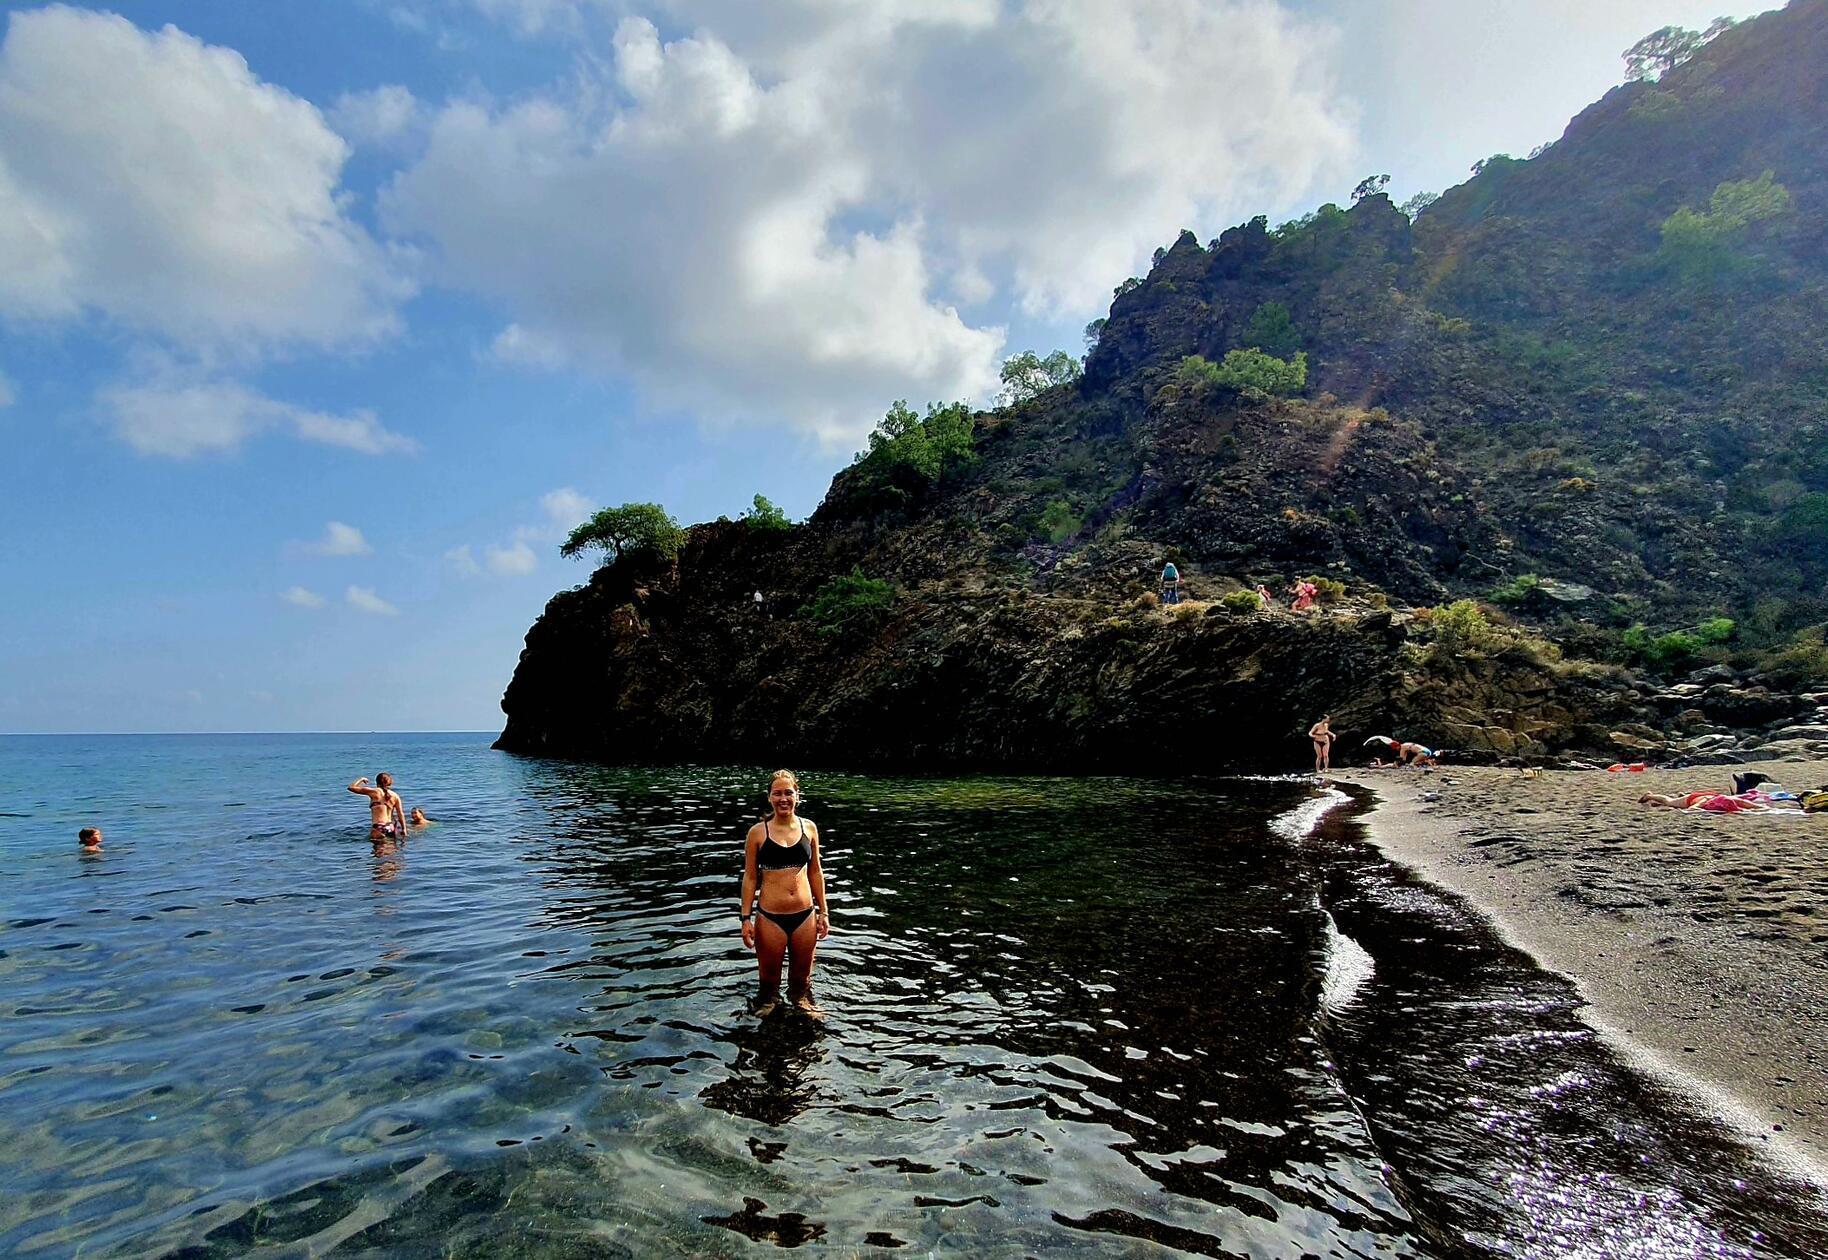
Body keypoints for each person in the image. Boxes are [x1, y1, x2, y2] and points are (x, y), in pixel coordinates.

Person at [739, 769, 830, 1017]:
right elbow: (750, 877)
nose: (783, 799)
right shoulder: (757, 833)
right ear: (769, 797)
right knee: (768, 983)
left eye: (788, 793)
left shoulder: (809, 828)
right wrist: (745, 919)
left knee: (801, 981)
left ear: (797, 795)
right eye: (777, 793)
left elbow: (816, 872)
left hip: (805, 916)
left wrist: (824, 912)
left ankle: (801, 1003)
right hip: (770, 917)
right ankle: (768, 1005)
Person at [349, 773, 406, 840]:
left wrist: (361, 779)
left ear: (377, 781)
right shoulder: (395, 795)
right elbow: (400, 814)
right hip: (391, 827)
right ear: (390, 782)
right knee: (391, 846)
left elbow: (351, 787)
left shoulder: (374, 792)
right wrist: (404, 829)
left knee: (378, 846)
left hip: (379, 827)